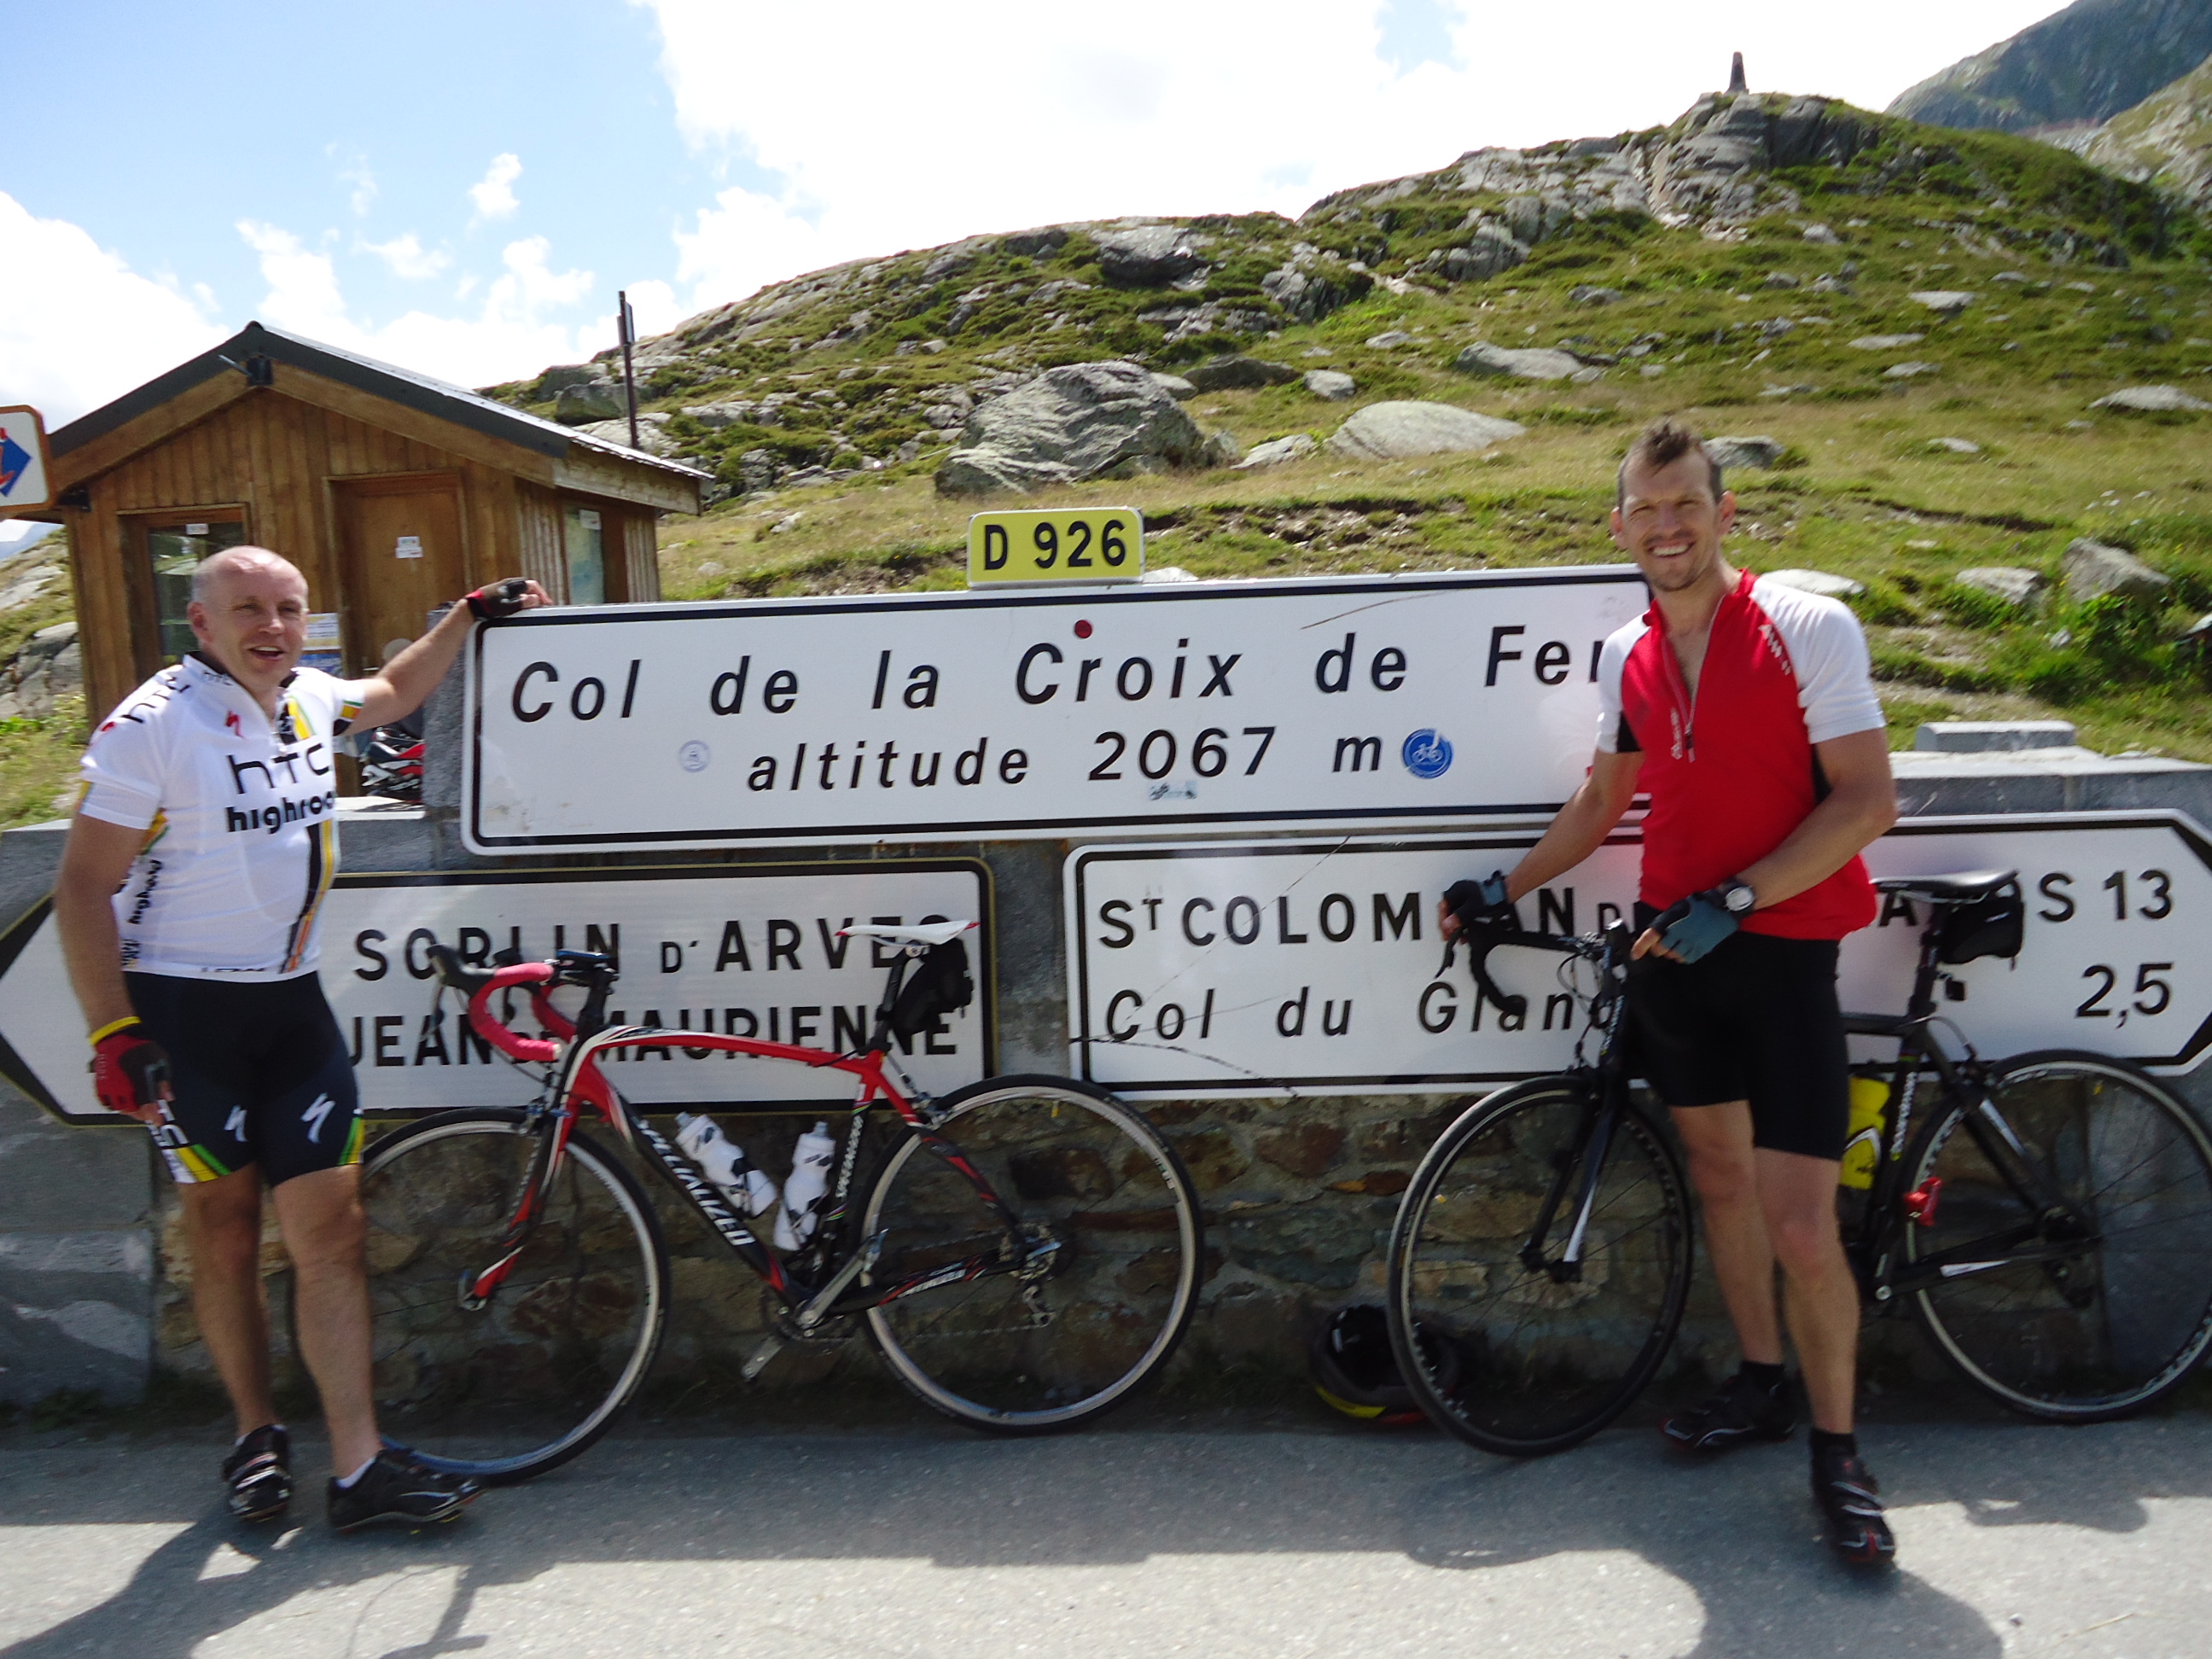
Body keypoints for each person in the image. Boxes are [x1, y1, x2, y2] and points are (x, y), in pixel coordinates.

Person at [1443, 418, 1901, 1567]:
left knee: (1803, 1224)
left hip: (1781, 946)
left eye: (1686, 504)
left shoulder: (1806, 628)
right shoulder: (1629, 657)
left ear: (1724, 511)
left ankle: (1839, 1453)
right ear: (1619, 527)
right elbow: (1605, 807)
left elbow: (1864, 804)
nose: (1667, 527)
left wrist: (1738, 901)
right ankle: (1759, 1384)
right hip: (1672, 956)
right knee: (1717, 1178)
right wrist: (1504, 887)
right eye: (1646, 511)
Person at [55, 548, 547, 1532]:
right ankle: (253, 1434)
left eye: (285, 608)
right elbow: (80, 887)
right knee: (227, 1228)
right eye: (246, 610)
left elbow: (395, 688)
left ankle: (360, 1468)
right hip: (182, 1013)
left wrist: (463, 612)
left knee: (333, 1231)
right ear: (201, 624)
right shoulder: (154, 726)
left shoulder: (308, 698)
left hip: (292, 1005)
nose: (269, 626)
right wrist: (114, 1031)